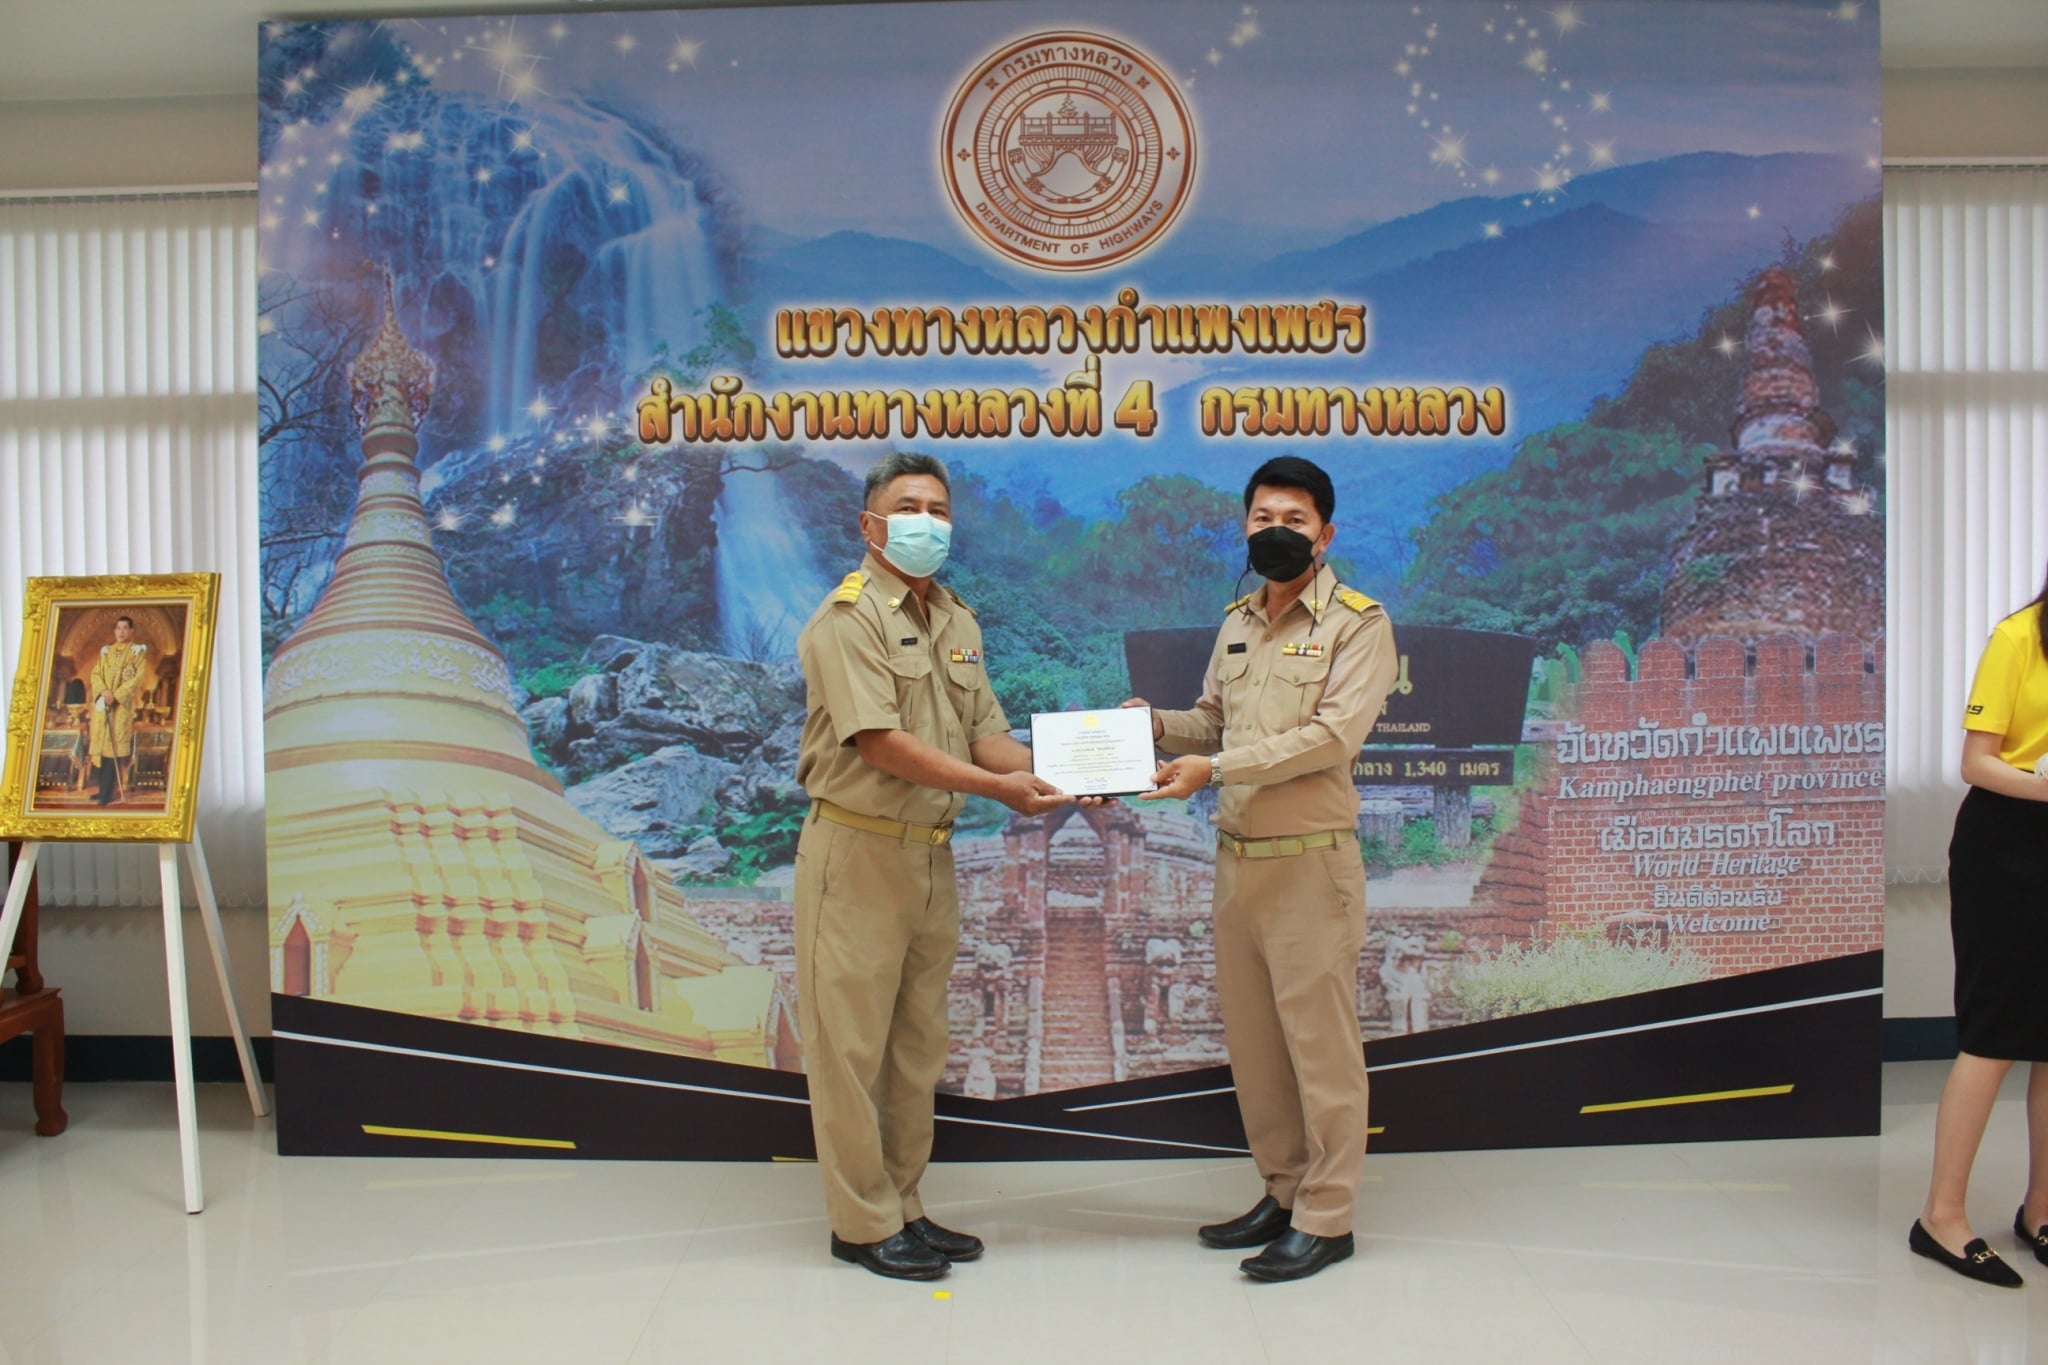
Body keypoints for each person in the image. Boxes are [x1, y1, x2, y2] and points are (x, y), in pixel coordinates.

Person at [793, 451, 1073, 1281]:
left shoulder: (955, 619)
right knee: (851, 1049)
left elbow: (987, 734)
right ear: (870, 523)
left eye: (940, 509)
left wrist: (1067, 775)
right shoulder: (848, 618)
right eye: (909, 506)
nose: (927, 521)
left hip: (929, 857)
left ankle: (905, 1204)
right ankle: (862, 1222)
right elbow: (881, 743)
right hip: (857, 852)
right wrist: (999, 789)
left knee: (915, 1047)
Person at [1130, 455, 1397, 1282]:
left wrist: (1214, 768)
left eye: (1294, 519)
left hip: (1310, 865)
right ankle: (1282, 1191)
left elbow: (1330, 737)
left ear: (1325, 533)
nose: (1276, 531)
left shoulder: (1359, 625)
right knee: (1256, 1048)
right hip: (1237, 864)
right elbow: (1213, 718)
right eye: (1262, 518)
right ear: (1244, 525)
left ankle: (1327, 1216)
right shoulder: (1238, 621)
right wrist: (1153, 726)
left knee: (1320, 1050)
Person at [1910, 566, 2048, 1287]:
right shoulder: (2017, 637)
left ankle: (2040, 1210)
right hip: (2009, 848)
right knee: (1993, 1035)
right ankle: (1942, 1217)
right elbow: (1978, 763)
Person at [87, 615, 148, 807]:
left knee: (112, 750)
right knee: (103, 750)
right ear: (114, 631)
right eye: (118, 628)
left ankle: (107, 794)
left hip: (120, 708)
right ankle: (102, 790)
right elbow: (95, 673)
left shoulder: (137, 653)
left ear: (131, 631)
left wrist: (116, 695)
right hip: (104, 705)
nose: (121, 632)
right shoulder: (107, 652)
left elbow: (136, 679)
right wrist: (104, 692)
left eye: (125, 628)